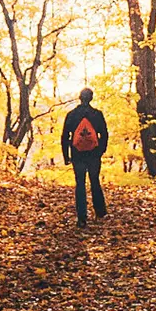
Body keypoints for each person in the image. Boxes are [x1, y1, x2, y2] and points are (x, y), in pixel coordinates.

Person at [61, 87, 109, 228]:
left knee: (80, 184)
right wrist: (101, 150)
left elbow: (65, 136)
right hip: (94, 154)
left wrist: (66, 156)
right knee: (94, 181)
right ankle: (100, 212)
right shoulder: (97, 115)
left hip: (77, 154)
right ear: (91, 98)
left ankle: (82, 218)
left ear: (79, 98)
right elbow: (104, 134)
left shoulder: (71, 115)